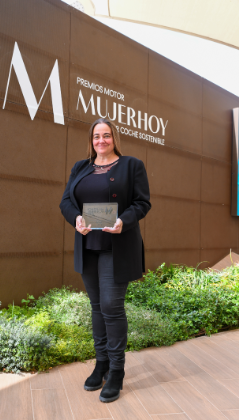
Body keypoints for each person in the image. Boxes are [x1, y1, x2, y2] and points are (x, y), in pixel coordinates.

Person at [59, 117, 151, 403]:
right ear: (91, 140)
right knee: (97, 307)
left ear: (114, 138)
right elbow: (65, 201)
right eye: (96, 136)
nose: (101, 140)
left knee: (111, 306)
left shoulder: (131, 165)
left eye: (106, 135)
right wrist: (75, 218)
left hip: (117, 246)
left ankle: (117, 371)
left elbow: (142, 203)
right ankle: (101, 364)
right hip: (88, 246)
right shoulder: (80, 167)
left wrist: (124, 220)